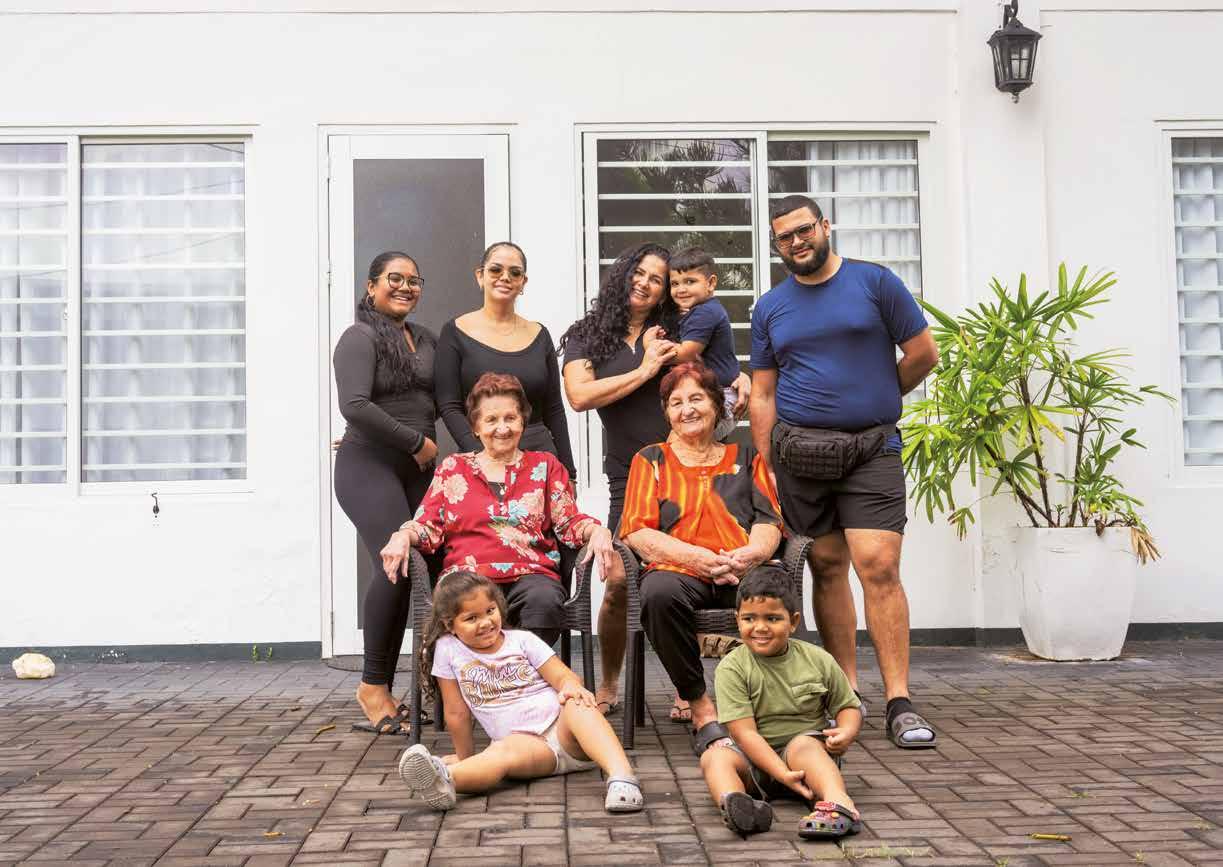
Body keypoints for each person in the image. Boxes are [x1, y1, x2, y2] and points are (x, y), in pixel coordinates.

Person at [749, 194, 941, 749]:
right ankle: (846, 695)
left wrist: (881, 393)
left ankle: (900, 700)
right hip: (801, 458)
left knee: (878, 565)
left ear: (824, 226)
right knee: (827, 567)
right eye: (784, 237)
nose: (796, 242)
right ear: (776, 244)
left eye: (803, 230)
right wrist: (768, 463)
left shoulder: (875, 283)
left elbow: (923, 353)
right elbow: (763, 392)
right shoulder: (770, 307)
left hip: (870, 450)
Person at [379, 372, 620, 646]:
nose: (502, 428)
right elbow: (427, 526)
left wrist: (596, 530)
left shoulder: (545, 466)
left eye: (510, 418)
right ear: (476, 427)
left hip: (532, 575)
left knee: (544, 602)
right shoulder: (453, 468)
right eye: (491, 420)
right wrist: (402, 535)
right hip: (468, 577)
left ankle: (517, 670)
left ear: (522, 422)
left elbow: (568, 522)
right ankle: (495, 671)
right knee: (465, 605)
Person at [619, 361, 785, 750]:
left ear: (716, 405)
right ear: (667, 414)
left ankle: (777, 703)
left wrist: (747, 556)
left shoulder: (745, 456)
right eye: (676, 403)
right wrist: (699, 559)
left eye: (696, 398)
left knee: (775, 589)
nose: (687, 409)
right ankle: (701, 707)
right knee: (658, 595)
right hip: (678, 570)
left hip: (740, 566)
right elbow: (636, 530)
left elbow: (769, 520)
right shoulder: (651, 459)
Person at [396, 572, 644, 813]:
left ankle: (622, 777)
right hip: (527, 746)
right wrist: (465, 757)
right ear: (449, 625)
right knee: (500, 753)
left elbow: (562, 676)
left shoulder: (522, 640)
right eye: (471, 618)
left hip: (567, 731)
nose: (486, 622)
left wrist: (571, 685)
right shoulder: (448, 650)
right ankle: (445, 780)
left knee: (577, 702)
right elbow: (456, 712)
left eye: (490, 611)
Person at [333, 251, 440, 736]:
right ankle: (373, 686)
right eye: (394, 279)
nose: (405, 287)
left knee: (423, 571)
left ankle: (424, 685)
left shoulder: (427, 340)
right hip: (369, 466)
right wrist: (415, 442)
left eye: (414, 280)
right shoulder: (358, 337)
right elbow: (355, 405)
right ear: (372, 285)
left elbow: (447, 400)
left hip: (418, 471)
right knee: (395, 567)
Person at [703, 569, 863, 840]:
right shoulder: (731, 668)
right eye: (749, 618)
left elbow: (847, 706)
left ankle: (839, 802)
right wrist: (780, 773)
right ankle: (740, 805)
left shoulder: (818, 659)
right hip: (755, 762)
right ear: (737, 620)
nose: (760, 628)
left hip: (806, 762)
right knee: (714, 757)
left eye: (773, 618)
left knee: (803, 745)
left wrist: (847, 730)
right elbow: (744, 734)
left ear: (793, 622)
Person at [435, 241, 576, 478]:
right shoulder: (455, 331)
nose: (505, 277)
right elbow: (449, 405)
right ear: (480, 276)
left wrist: (569, 473)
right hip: (480, 460)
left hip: (539, 462)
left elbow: (554, 409)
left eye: (515, 272)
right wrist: (481, 455)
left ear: (523, 282)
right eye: (495, 270)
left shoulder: (539, 334)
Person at [668, 247, 743, 441]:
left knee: (679, 445)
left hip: (722, 399)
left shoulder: (704, 313)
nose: (681, 289)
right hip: (718, 395)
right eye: (674, 283)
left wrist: (652, 346)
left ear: (711, 283)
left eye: (690, 281)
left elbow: (686, 354)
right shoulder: (702, 311)